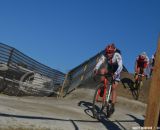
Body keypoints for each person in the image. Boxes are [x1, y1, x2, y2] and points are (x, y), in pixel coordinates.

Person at [94, 43, 123, 115]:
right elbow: (100, 62)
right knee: (102, 70)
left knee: (113, 88)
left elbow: (120, 66)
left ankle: (112, 106)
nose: (108, 54)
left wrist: (115, 74)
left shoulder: (117, 55)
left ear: (113, 51)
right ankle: (103, 86)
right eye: (107, 52)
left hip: (117, 71)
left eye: (110, 52)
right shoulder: (105, 54)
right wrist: (96, 68)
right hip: (110, 69)